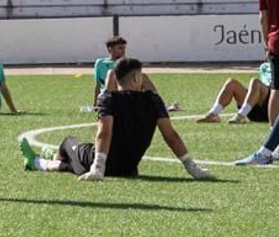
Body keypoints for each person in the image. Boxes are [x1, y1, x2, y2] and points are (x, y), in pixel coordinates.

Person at [21, 58, 213, 181]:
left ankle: (38, 161)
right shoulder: (153, 100)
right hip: (128, 168)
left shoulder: (109, 99)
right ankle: (45, 159)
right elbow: (171, 136)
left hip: (103, 162)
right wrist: (193, 168)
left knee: (68, 142)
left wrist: (98, 168)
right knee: (72, 163)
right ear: (137, 78)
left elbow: (104, 133)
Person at [197, 61, 273, 124]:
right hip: (255, 110)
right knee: (231, 83)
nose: (268, 53)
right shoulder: (264, 67)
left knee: (255, 81)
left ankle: (241, 115)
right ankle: (213, 114)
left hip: (273, 109)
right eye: (267, 50)